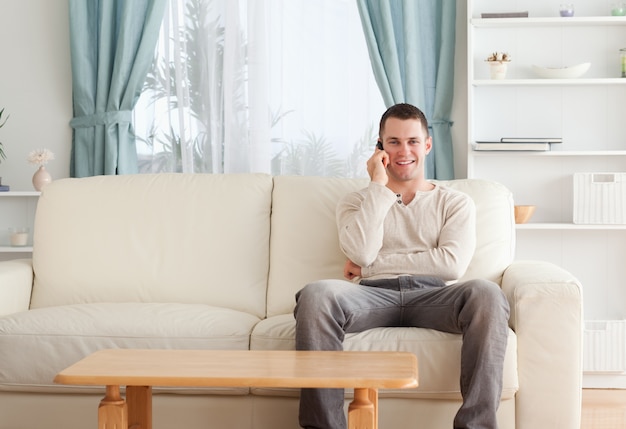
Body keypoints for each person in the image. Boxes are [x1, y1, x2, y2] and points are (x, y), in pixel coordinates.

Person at [294, 103, 510, 429]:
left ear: (427, 144)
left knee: (488, 294)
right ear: (379, 148)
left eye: (412, 141)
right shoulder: (357, 201)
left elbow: (450, 265)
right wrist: (378, 189)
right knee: (316, 295)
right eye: (393, 142)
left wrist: (368, 266)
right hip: (371, 297)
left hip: (434, 296)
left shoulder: (455, 202)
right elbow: (363, 252)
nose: (403, 150)